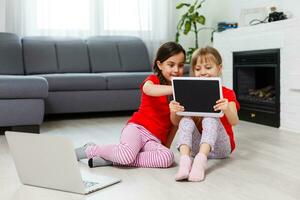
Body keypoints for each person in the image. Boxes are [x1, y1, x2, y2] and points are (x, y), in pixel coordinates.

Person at [76, 42, 186, 168]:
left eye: (181, 65)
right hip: (137, 129)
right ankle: (91, 149)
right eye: (171, 65)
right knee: (127, 154)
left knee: (167, 158)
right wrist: (176, 88)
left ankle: (113, 159)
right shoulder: (153, 80)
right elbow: (148, 89)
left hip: (153, 140)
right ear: (160, 65)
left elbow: (174, 125)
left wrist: (165, 147)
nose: (176, 70)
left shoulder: (180, 96)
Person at [171, 46, 240, 181]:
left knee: (210, 116)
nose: (203, 72)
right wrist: (174, 111)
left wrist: (226, 108)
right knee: (186, 119)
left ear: (219, 69)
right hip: (196, 148)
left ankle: (200, 162)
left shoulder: (227, 93)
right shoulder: (190, 92)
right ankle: (184, 162)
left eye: (208, 68)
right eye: (198, 69)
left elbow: (234, 121)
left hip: (221, 148)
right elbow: (176, 122)